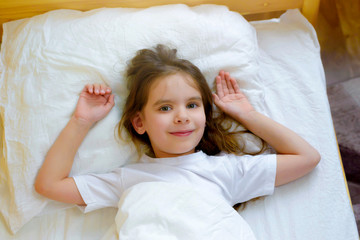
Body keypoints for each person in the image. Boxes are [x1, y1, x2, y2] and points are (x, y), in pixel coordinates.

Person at [34, 44, 320, 212]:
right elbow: (49, 185)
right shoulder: (128, 180)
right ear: (139, 122)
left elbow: (307, 158)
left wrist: (247, 114)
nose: (182, 117)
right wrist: (81, 122)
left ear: (206, 116)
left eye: (193, 105)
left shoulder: (227, 173)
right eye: (165, 108)